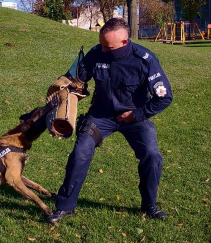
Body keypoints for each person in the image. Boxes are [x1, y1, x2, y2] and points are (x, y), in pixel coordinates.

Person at [48, 18, 173, 224]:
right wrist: (66, 91)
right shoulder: (97, 52)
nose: (104, 50)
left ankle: (150, 204)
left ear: (125, 42)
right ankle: (64, 207)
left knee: (152, 155)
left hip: (134, 117)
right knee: (80, 153)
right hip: (101, 116)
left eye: (109, 46)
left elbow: (164, 98)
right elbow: (77, 78)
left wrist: (136, 115)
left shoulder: (145, 60)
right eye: (102, 44)